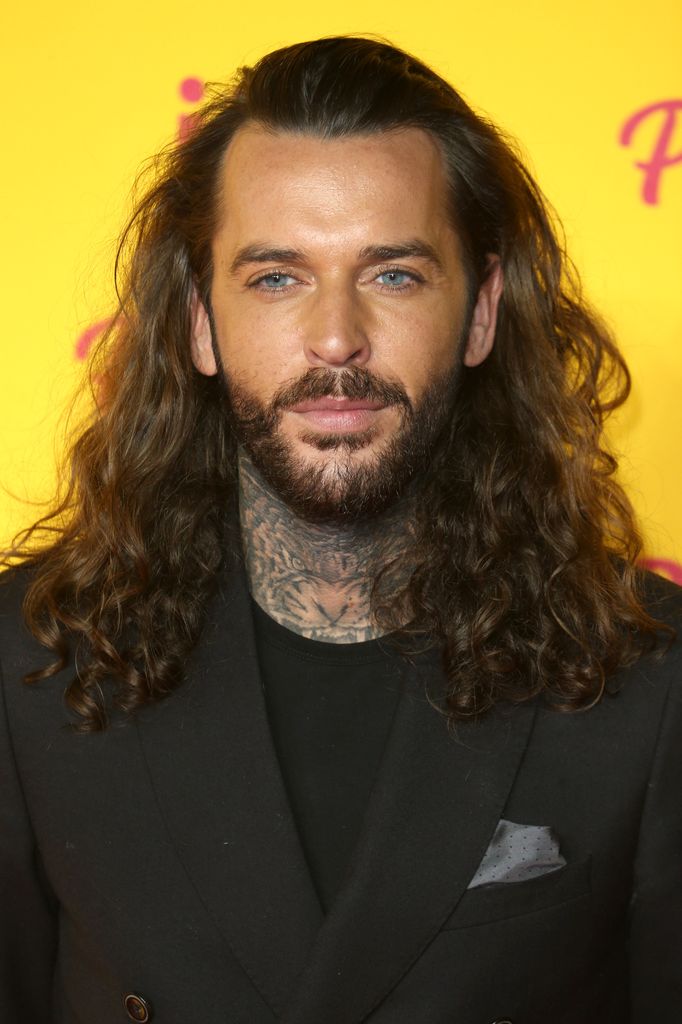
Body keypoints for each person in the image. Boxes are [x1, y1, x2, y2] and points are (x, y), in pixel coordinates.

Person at [1, 35, 680, 1024]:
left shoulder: (650, 679)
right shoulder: (26, 661)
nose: (334, 338)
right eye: (276, 277)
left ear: (481, 311)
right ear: (199, 318)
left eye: (393, 275)